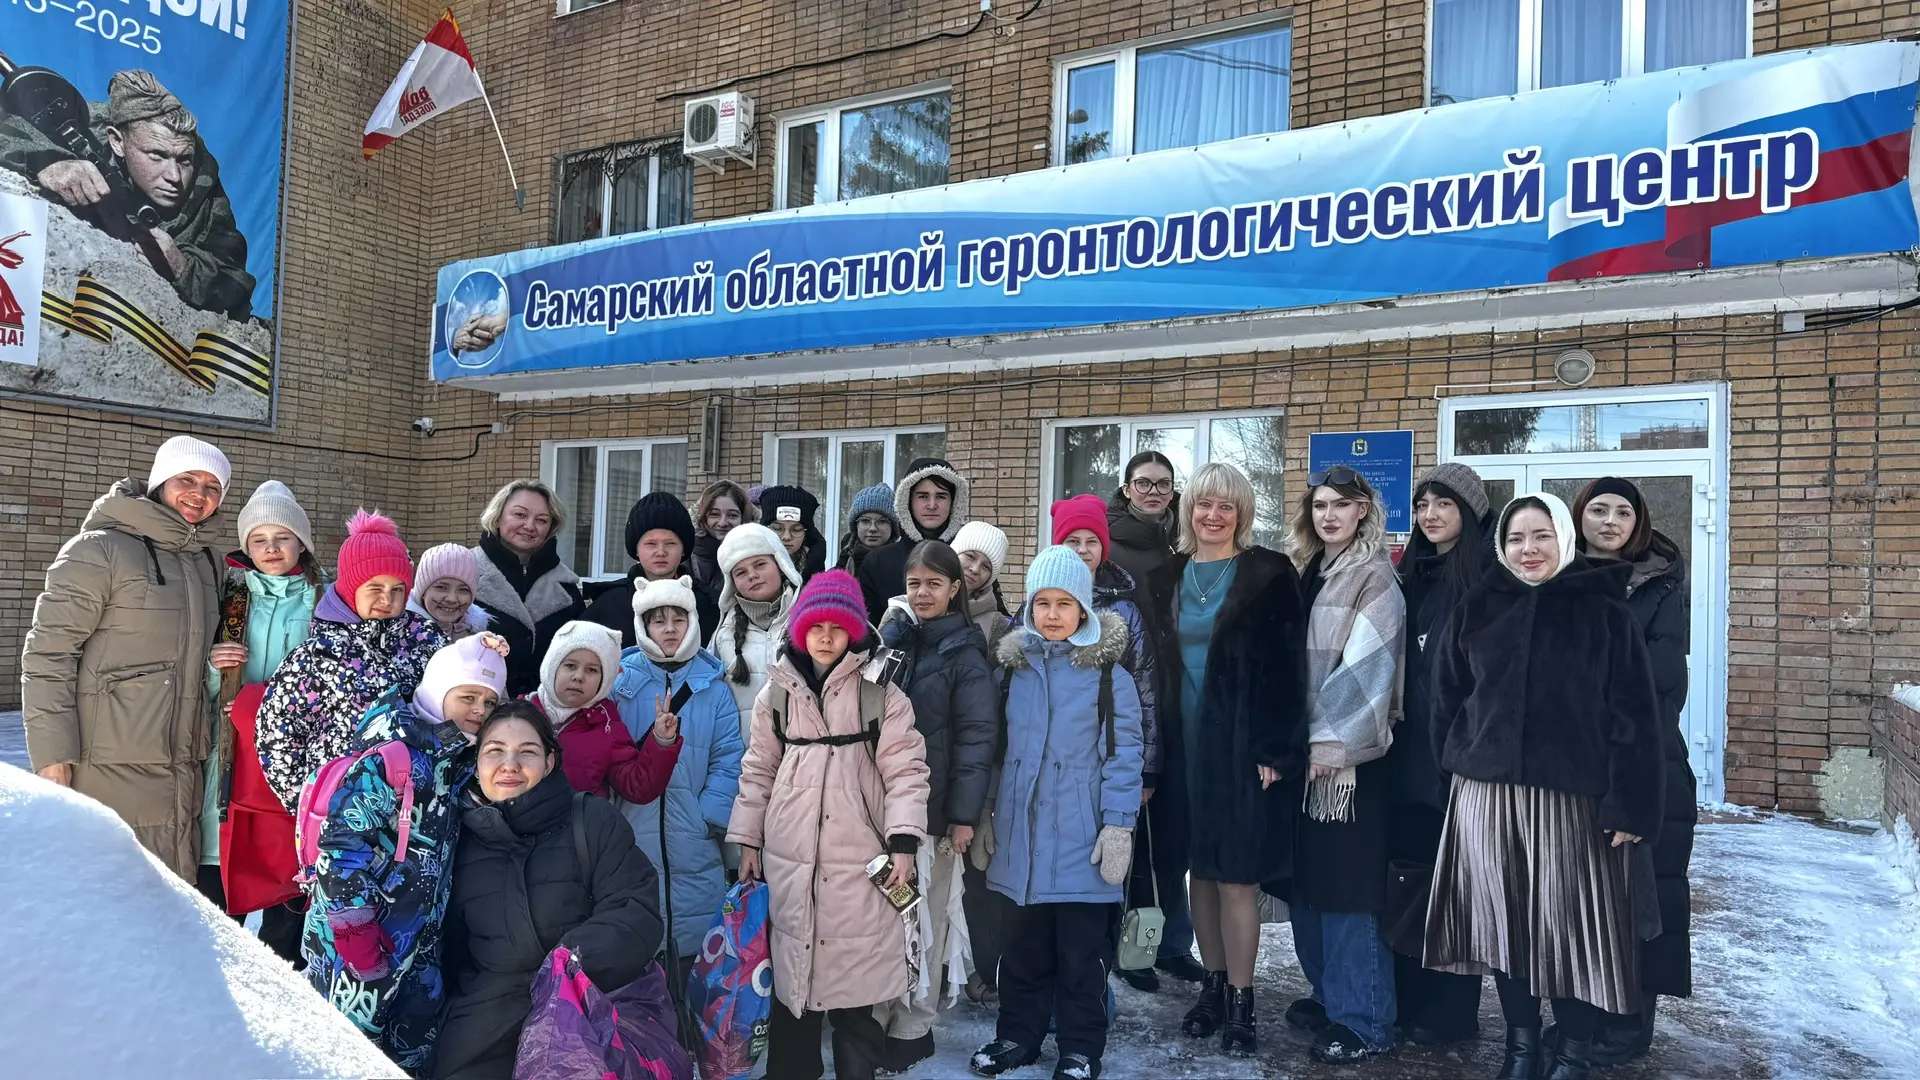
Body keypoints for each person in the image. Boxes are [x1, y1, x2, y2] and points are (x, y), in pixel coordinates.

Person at [1424, 492, 1664, 1080]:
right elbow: (1447, 699)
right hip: (1487, 799)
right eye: (1514, 539)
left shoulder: (1604, 612)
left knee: (1571, 932)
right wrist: (1456, 769)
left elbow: (1635, 718)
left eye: (1540, 536)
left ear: (1564, 537)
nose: (1527, 549)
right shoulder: (1479, 607)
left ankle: (1573, 1053)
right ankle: (1522, 1050)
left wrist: (1630, 804)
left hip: (1573, 804)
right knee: (1506, 929)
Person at [728, 569, 930, 1080]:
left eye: (837, 627)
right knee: (792, 984)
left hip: (860, 860)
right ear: (800, 631)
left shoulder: (880, 695)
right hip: (789, 857)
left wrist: (904, 841)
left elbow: (906, 772)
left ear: (853, 631)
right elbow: (758, 769)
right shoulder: (777, 695)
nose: (824, 637)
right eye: (815, 626)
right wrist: (747, 839)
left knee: (856, 989)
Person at [1139, 462, 1308, 1056]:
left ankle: (1242, 1000)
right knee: (1200, 875)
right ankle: (1210, 989)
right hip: (1181, 749)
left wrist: (1276, 748)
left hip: (1240, 751)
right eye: (1204, 504)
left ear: (1242, 514)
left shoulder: (1269, 574)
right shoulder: (1164, 578)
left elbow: (1289, 668)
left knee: (1236, 877)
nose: (1213, 516)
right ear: (1188, 511)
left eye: (1226, 506)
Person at [969, 546, 1143, 1080]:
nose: (1051, 614)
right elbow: (995, 753)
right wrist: (986, 813)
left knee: (1081, 959)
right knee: (1021, 952)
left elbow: (1124, 756)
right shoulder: (1011, 672)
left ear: (1084, 609)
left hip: (1080, 841)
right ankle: (1017, 1036)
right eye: (1042, 602)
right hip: (1020, 840)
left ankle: (1080, 1048)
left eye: (1064, 603)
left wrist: (1118, 825)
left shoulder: (1110, 678)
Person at [23, 435, 229, 880]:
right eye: (187, 479)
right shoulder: (98, 550)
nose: (199, 494)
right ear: (159, 483)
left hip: (182, 765)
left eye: (213, 487)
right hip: (103, 763)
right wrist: (52, 755)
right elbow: (48, 655)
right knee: (103, 891)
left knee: (167, 894)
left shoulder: (210, 562)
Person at [302, 633, 509, 1074]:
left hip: (420, 945)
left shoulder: (458, 762)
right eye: (468, 696)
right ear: (438, 691)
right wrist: (354, 930)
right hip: (359, 946)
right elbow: (340, 848)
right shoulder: (391, 759)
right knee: (345, 1056)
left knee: (410, 1056)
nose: (479, 710)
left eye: (490, 702)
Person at [432, 704, 666, 1079]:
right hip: (481, 1036)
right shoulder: (457, 841)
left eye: (527, 752)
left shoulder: (591, 820)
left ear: (549, 762)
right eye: (494, 751)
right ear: (476, 764)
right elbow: (450, 953)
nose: (509, 765)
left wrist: (566, 965)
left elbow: (635, 911)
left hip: (586, 1024)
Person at [1279, 467, 1406, 1064]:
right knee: (1309, 884)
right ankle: (1330, 995)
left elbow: (1369, 666)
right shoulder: (1311, 569)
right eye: (1320, 505)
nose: (1329, 515)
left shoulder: (1373, 575)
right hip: (1303, 755)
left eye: (1341, 505)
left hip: (1346, 763)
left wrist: (1330, 746)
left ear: (1363, 511)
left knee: (1347, 891)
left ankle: (1365, 1019)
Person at [1573, 477, 1694, 1065]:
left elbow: (1660, 685)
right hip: (1575, 769)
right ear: (1579, 516)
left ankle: (1627, 1026)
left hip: (1646, 763)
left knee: (1639, 901)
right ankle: (1581, 1017)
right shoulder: (1560, 578)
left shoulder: (1658, 587)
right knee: (1582, 903)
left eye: (1623, 512)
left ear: (1638, 522)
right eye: (1599, 509)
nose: (1610, 521)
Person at [872, 541, 999, 1072]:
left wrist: (963, 816)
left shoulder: (965, 654)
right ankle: (875, 1016)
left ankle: (913, 1027)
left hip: (936, 817)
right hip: (883, 812)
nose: (922, 593)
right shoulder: (894, 642)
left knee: (925, 920)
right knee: (885, 918)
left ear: (955, 588)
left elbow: (977, 738)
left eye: (933, 584)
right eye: (914, 583)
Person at [0, 70, 253, 317]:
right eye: (157, 155)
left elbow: (237, 285)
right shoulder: (79, 126)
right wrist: (46, 159)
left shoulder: (202, 177)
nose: (174, 176)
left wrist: (183, 267)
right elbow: (7, 126)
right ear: (117, 142)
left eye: (183, 160)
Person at [1391, 464, 1494, 1046]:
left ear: (1470, 512)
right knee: (1409, 879)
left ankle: (1453, 1012)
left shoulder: (1486, 579)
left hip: (1457, 758)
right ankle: (1408, 1000)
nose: (1430, 515)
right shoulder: (1410, 573)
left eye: (1444, 504)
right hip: (1407, 754)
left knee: (1455, 885)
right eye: (1422, 504)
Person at [199, 479, 323, 962]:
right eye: (259, 540)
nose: (271, 549)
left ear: (301, 544)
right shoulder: (228, 597)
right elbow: (199, 685)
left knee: (285, 875)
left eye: (282, 538)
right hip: (230, 755)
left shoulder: (323, 602)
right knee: (218, 878)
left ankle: (280, 979)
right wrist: (215, 668)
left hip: (293, 763)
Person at [1048, 494, 1167, 994]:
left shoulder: (1124, 608)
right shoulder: (1042, 604)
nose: (1082, 550)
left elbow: (1145, 687)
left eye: (1090, 541)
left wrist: (1147, 768)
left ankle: (1127, 956)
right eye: (1071, 541)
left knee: (1120, 858)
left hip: (1115, 757)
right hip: (1059, 762)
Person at [257, 510, 445, 811]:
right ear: (350, 589)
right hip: (340, 811)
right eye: (375, 588)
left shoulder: (425, 641)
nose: (387, 599)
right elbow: (278, 733)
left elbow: (456, 704)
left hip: (419, 807)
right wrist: (308, 800)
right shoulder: (319, 655)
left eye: (397, 589)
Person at [609, 576, 743, 965]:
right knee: (638, 942)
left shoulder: (713, 687)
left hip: (695, 835)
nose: (669, 629)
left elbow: (728, 756)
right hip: (631, 828)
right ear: (643, 625)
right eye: (658, 620)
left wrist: (708, 815)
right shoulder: (620, 681)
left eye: (678, 619)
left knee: (696, 951)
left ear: (693, 622)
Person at [529, 620, 681, 803]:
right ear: (552, 666)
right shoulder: (519, 714)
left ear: (605, 680)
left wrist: (662, 742)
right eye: (570, 665)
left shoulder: (608, 728)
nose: (578, 676)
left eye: (591, 670)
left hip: (578, 821)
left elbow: (638, 787)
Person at [471, 480, 584, 697]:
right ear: (497, 516)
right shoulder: (465, 572)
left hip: (547, 707)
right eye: (520, 515)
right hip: (478, 704)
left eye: (541, 520)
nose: (530, 526)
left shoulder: (567, 587)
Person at [584, 491, 721, 649]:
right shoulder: (608, 606)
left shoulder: (709, 605)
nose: (660, 552)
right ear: (636, 549)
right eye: (651, 544)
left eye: (670, 543)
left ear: (684, 549)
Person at [712, 522, 804, 740]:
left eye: (760, 564)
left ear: (781, 566)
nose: (752, 575)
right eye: (741, 572)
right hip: (745, 754)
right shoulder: (724, 635)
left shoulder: (812, 621)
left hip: (804, 754)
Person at [857, 458, 970, 623]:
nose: (932, 505)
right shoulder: (877, 562)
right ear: (907, 500)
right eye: (923, 496)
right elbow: (866, 629)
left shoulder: (970, 560)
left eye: (941, 496)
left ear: (954, 502)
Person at [1105, 451, 1180, 590]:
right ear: (1126, 490)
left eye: (1163, 484)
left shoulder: (1190, 535)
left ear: (1171, 492)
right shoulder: (1105, 543)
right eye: (1143, 483)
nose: (1154, 491)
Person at [952, 521, 1015, 653]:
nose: (975, 569)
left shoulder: (994, 624)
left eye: (986, 567)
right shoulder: (920, 599)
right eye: (970, 557)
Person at [408, 543, 490, 640]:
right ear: (422, 591)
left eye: (463, 590)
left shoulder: (477, 635)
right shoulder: (401, 636)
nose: (452, 599)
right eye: (441, 587)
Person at [692, 480, 754, 595]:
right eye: (715, 514)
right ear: (702, 517)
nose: (722, 523)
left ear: (744, 518)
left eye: (732, 515)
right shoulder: (686, 554)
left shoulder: (757, 552)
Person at [757, 484, 829, 583]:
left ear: (806, 534)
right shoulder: (748, 564)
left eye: (796, 529)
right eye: (777, 528)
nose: (787, 537)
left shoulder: (816, 572)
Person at [838, 483, 900, 576]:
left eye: (882, 521)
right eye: (865, 521)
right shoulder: (840, 567)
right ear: (856, 525)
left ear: (893, 527)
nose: (872, 528)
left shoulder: (905, 566)